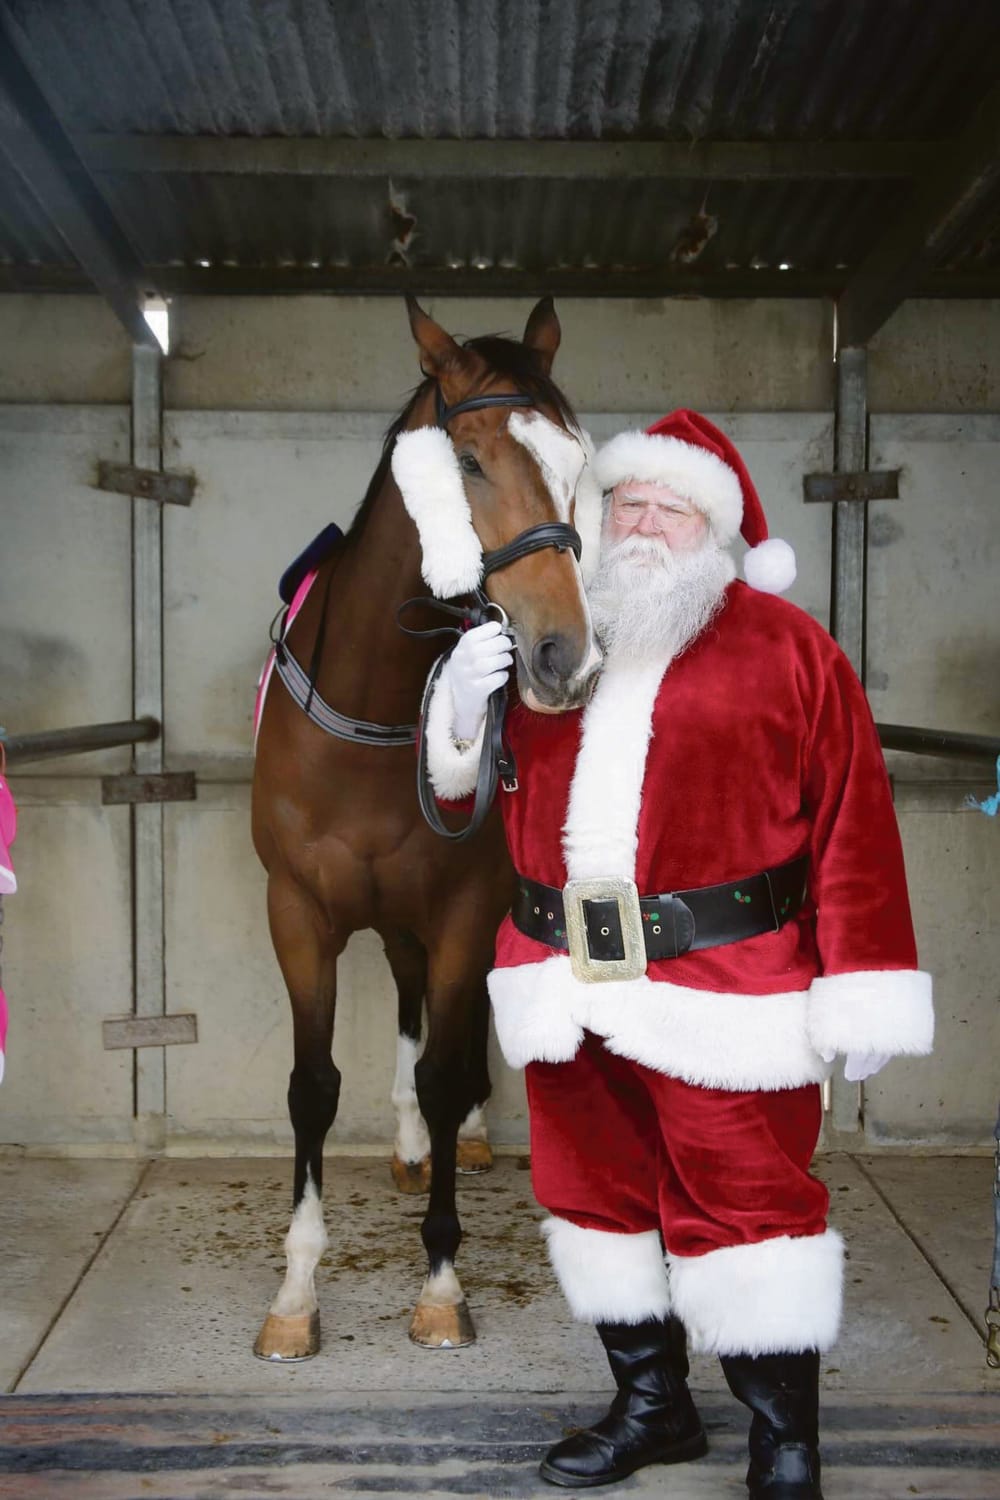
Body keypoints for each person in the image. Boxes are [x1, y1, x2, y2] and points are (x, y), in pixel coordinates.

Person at [422, 409, 934, 1498]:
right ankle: (653, 1408)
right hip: (566, 981)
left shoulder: (790, 650)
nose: (648, 526)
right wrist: (461, 709)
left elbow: (854, 826)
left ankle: (783, 1440)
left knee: (751, 1214)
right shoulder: (556, 634)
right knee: (596, 1201)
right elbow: (470, 800)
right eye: (631, 505)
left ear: (720, 530)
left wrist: (864, 983)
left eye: (675, 508)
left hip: (727, 991)